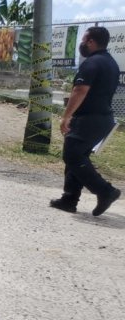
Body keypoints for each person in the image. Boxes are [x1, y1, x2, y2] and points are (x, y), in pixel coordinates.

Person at [50, 26, 121, 216]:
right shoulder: (110, 63)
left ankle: (105, 191)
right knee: (77, 156)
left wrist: (66, 116)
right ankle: (69, 199)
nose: (81, 44)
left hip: (89, 119)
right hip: (102, 119)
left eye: (83, 40)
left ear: (90, 42)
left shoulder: (92, 62)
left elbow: (80, 90)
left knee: (72, 155)